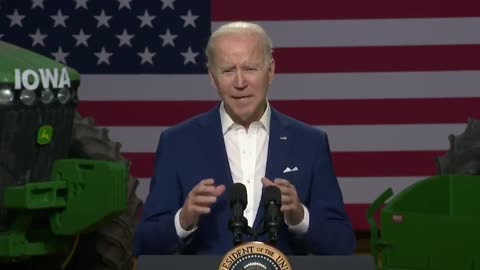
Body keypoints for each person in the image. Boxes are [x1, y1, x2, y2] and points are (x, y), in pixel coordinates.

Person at [133, 21, 355, 255]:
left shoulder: (310, 142)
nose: (240, 83)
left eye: (250, 69)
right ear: (212, 77)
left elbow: (342, 244)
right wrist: (184, 219)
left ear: (270, 72)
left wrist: (300, 217)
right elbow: (144, 244)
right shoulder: (177, 142)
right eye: (228, 71)